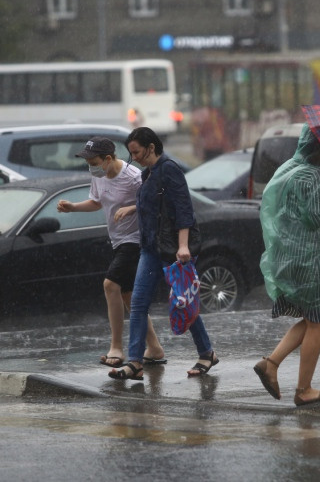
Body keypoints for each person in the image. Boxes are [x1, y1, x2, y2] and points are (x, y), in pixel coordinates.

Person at [109, 127, 217, 381]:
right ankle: (135, 363)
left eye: (136, 152)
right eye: (130, 153)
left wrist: (183, 246)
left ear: (151, 147)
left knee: (183, 303)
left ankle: (207, 353)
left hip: (172, 249)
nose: (133, 157)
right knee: (138, 304)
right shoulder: (149, 173)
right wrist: (132, 208)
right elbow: (156, 203)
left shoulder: (169, 168)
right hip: (150, 247)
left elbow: (183, 210)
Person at [253, 124, 320, 406]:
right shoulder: (314, 175)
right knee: (318, 322)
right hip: (306, 257)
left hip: (285, 255)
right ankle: (304, 390)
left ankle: (271, 363)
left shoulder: (288, 167)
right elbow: (316, 218)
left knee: (310, 319)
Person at [57, 137, 165, 368]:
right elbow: (97, 202)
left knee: (110, 285)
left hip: (137, 240)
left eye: (92, 160)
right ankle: (154, 348)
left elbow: (155, 202)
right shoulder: (99, 175)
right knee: (126, 295)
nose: (90, 166)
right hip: (118, 240)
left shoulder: (133, 177)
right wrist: (73, 207)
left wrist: (131, 208)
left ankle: (116, 347)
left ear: (107, 158)